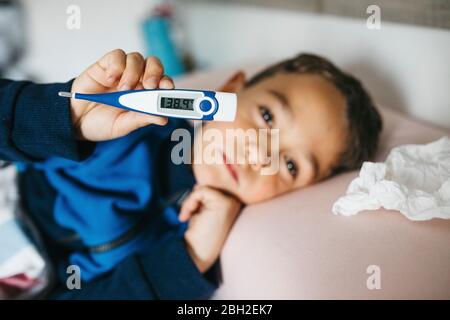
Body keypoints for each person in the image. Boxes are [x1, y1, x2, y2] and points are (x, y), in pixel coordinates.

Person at [0, 49, 382, 299]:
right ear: (231, 88)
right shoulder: (133, 118)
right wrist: (61, 116)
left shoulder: (197, 241)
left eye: (291, 165)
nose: (258, 153)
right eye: (266, 116)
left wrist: (189, 256)